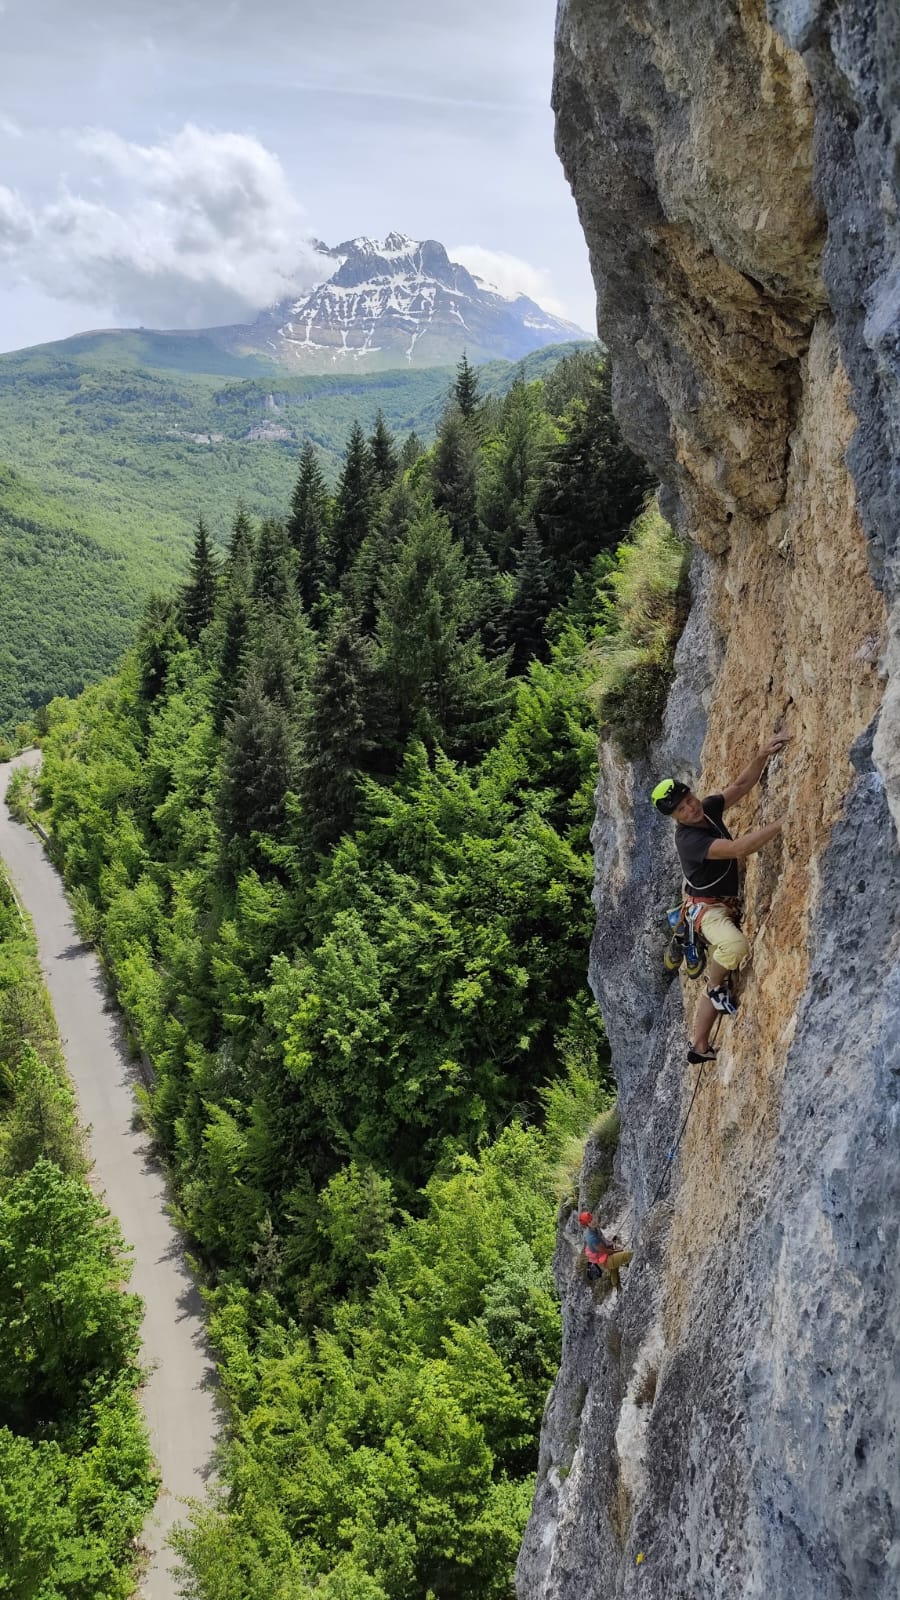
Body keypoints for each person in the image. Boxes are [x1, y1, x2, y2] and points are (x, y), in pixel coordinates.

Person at [651, 733, 791, 1063]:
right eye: (682, 808)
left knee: (722, 969)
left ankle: (698, 1046)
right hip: (706, 911)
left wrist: (762, 754)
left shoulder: (707, 811)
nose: (691, 807)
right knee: (733, 948)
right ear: (675, 817)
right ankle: (715, 987)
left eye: (689, 799)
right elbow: (738, 849)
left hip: (718, 906)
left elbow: (741, 786)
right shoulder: (688, 840)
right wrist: (783, 823)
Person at [578, 1209, 633, 1293]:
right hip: (605, 1260)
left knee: (614, 1270)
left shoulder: (595, 1229)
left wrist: (610, 1243)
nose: (593, 1221)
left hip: (604, 1258)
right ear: (587, 1225)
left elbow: (603, 1241)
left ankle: (617, 1288)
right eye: (590, 1221)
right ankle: (617, 1288)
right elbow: (605, 1251)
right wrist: (618, 1251)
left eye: (592, 1219)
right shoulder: (592, 1238)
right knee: (629, 1255)